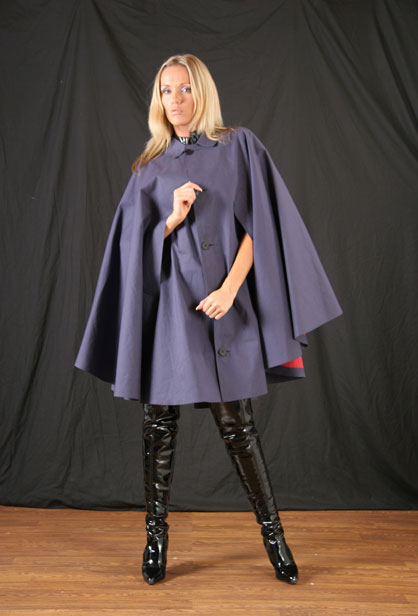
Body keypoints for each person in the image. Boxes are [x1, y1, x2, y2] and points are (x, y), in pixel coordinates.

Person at [74, 53, 343, 586]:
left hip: (225, 308)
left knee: (238, 426)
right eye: (166, 90)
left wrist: (230, 288)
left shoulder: (238, 145)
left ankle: (275, 540)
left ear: (203, 92)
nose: (175, 100)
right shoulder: (149, 167)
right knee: (158, 425)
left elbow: (264, 226)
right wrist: (170, 220)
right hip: (170, 315)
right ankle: (155, 541)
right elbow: (129, 253)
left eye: (185, 89)